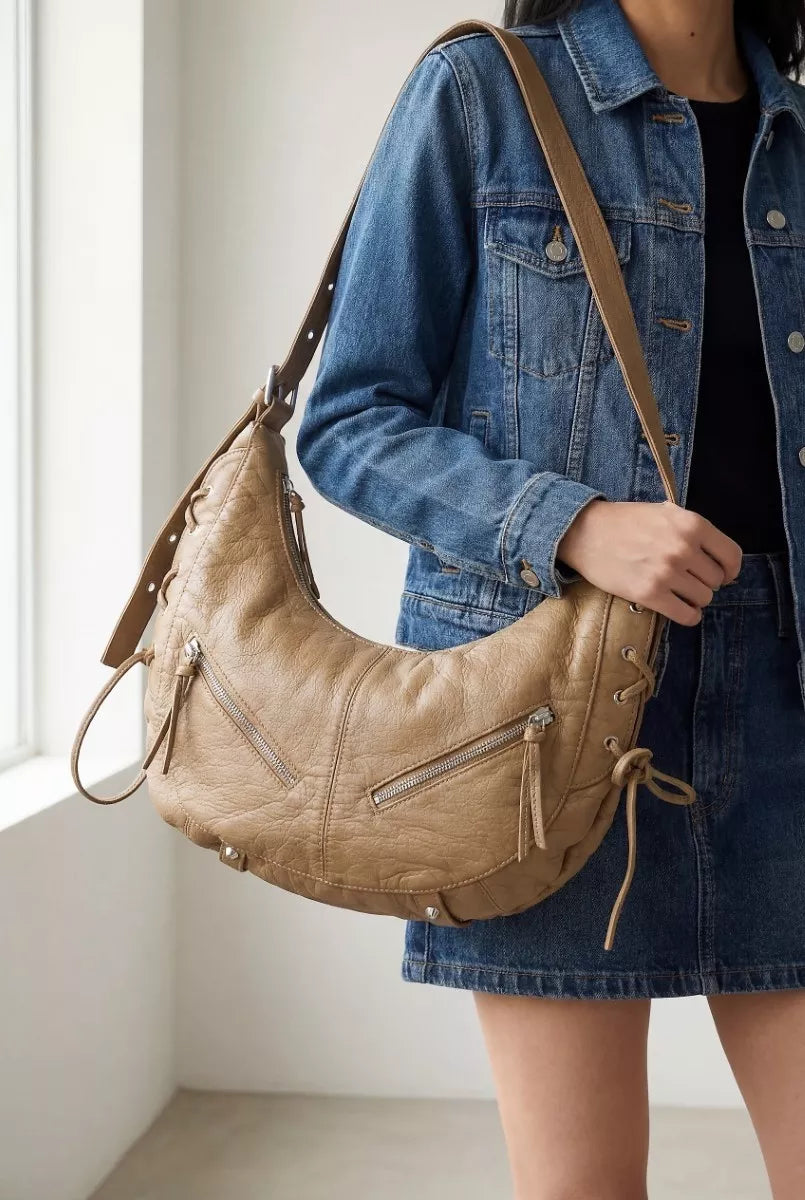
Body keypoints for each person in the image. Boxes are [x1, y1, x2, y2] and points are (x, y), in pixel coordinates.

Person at [295, 0, 805, 1194]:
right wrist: (568, 524)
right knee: (583, 1187)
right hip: (546, 714)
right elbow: (349, 420)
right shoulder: (484, 96)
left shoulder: (793, 135)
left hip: (784, 709)